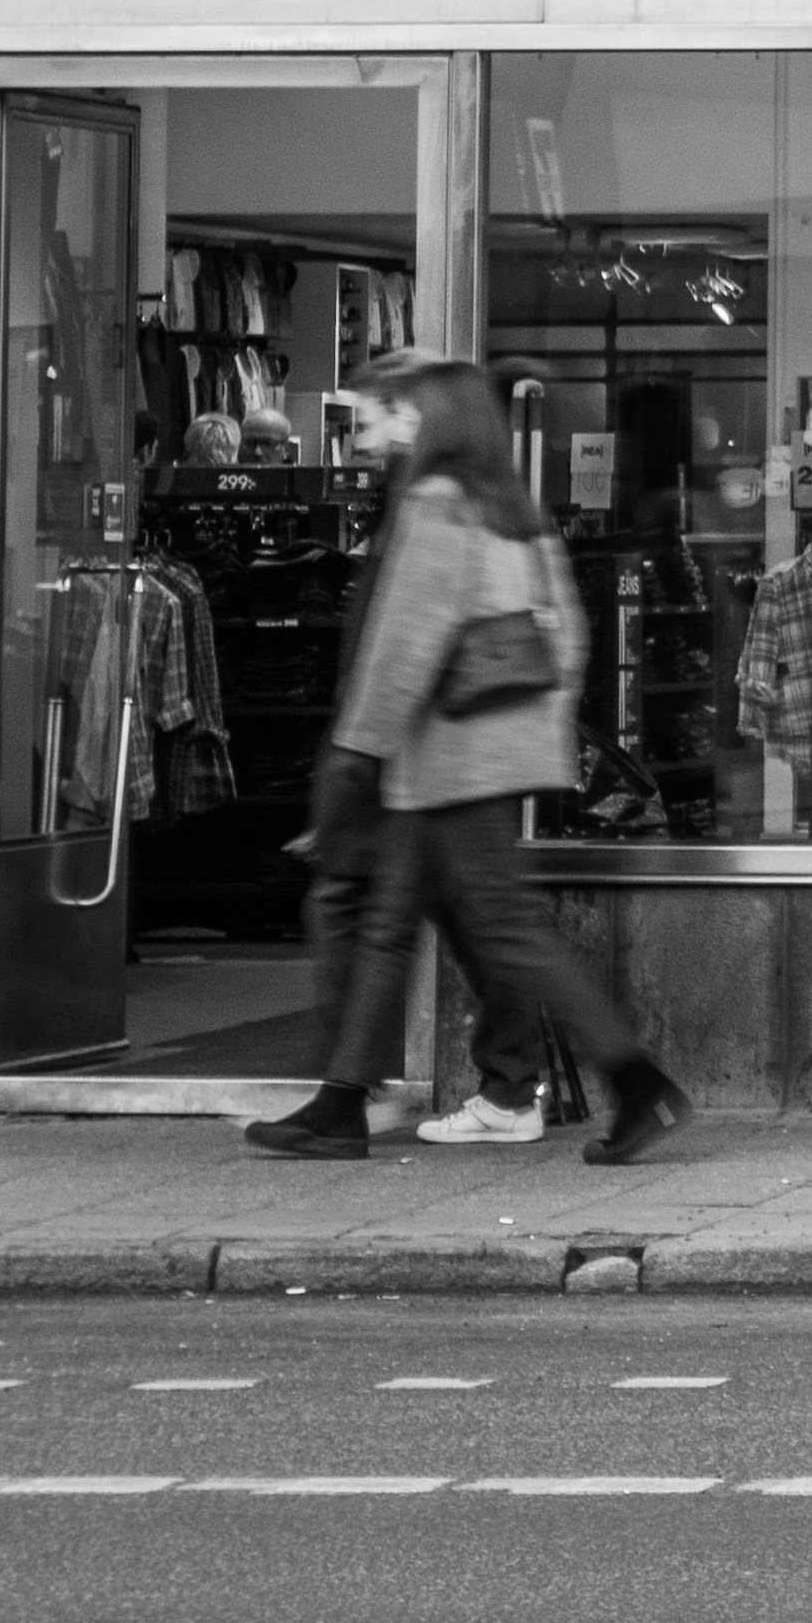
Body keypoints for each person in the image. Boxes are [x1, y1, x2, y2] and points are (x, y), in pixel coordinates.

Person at [242, 358, 692, 1166]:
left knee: (507, 930)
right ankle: (341, 1103)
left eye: (389, 415)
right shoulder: (511, 509)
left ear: (427, 420)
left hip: (444, 758)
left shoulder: (438, 504)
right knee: (393, 925)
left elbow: (404, 645)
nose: (378, 432)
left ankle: (637, 1081)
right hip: (478, 754)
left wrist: (355, 749)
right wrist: (536, 734)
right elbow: (569, 636)